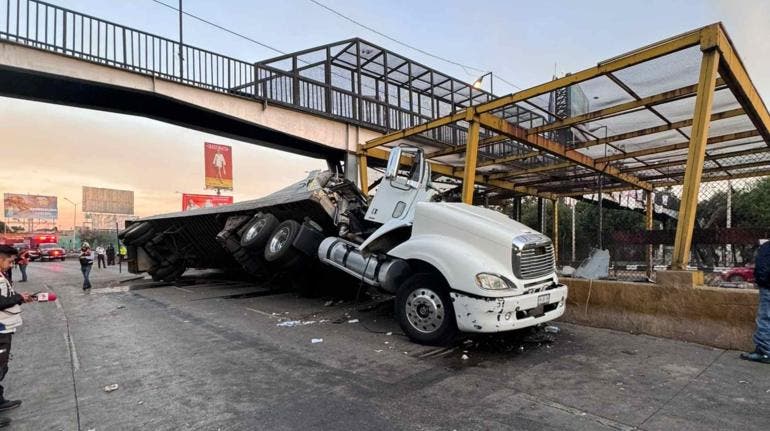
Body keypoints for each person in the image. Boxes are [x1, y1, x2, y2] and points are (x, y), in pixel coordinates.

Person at [0, 245, 34, 428]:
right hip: (0, 328)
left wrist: (20, 297)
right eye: (9, 261)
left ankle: (0, 400)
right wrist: (19, 298)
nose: (10, 265)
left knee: (1, 367)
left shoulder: (2, 275)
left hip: (4, 328)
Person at [741, 239, 770, 364]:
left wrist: (762, 282)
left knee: (765, 318)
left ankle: (764, 352)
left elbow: (762, 268)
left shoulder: (766, 247)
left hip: (768, 287)